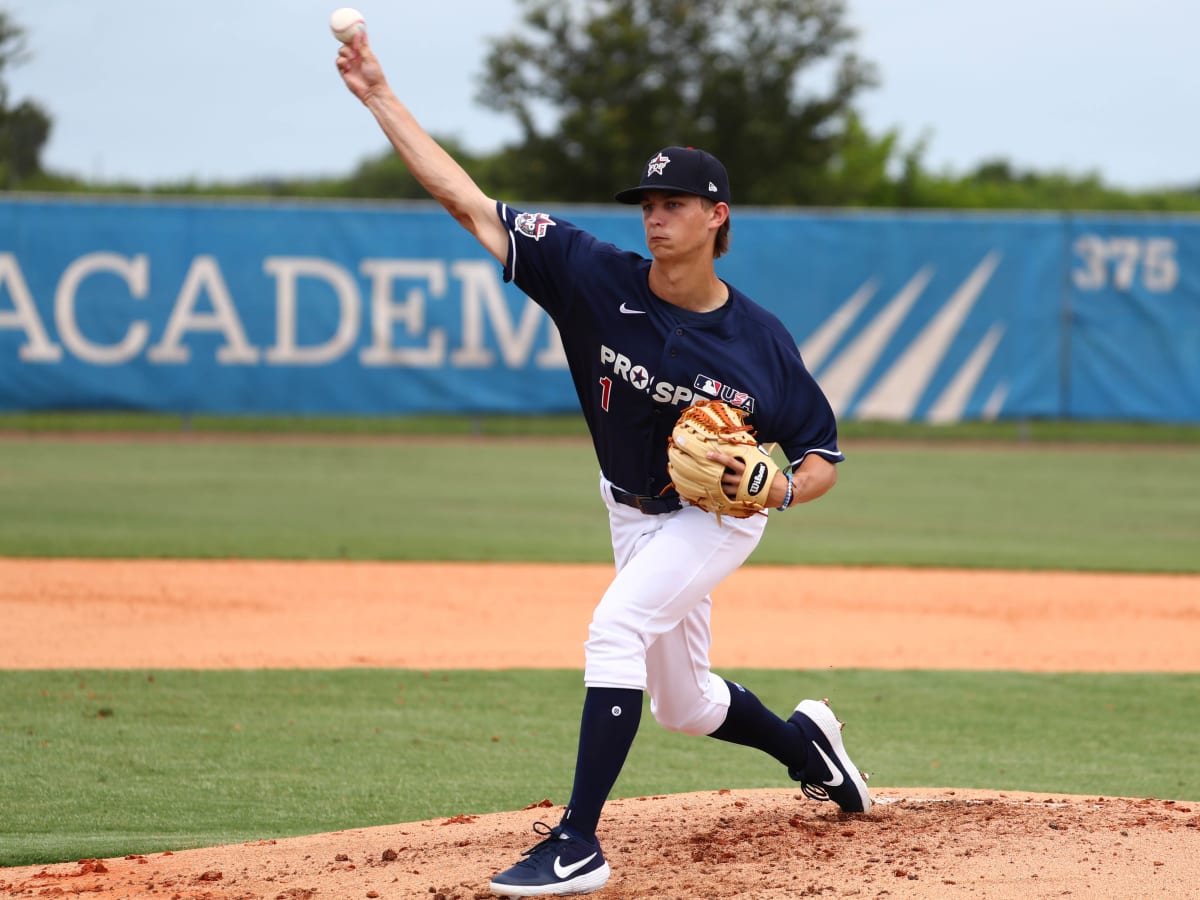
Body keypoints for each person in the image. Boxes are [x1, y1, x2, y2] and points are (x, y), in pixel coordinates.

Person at [336, 28, 871, 898]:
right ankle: (810, 746)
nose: (654, 215)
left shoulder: (760, 342)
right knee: (687, 706)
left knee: (613, 630)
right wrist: (377, 95)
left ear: (715, 216)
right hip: (629, 508)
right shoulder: (590, 274)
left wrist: (782, 487)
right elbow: (468, 204)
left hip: (715, 517)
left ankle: (578, 841)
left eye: (673, 202)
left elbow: (823, 455)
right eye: (647, 202)